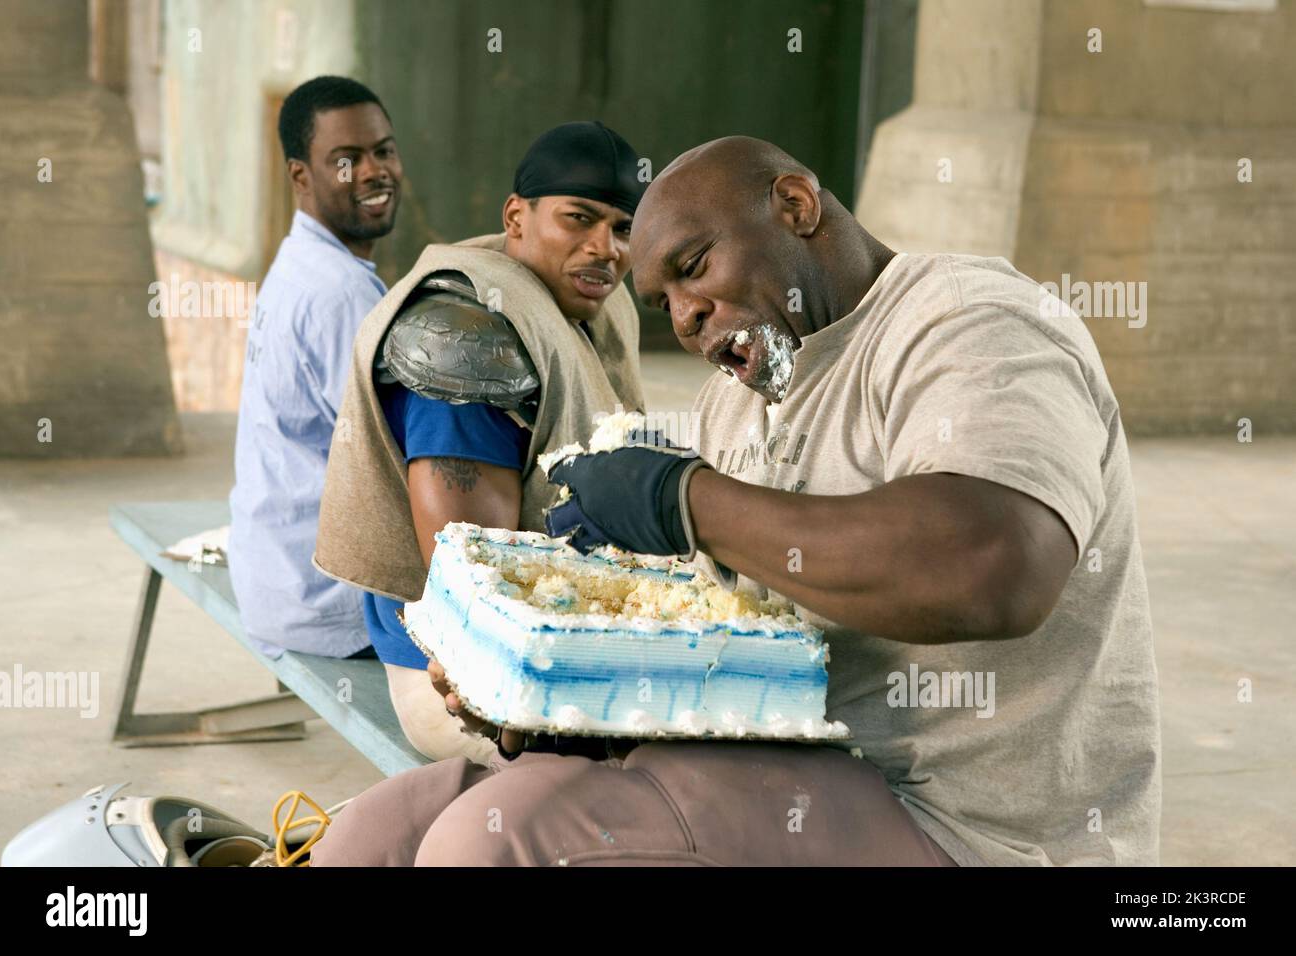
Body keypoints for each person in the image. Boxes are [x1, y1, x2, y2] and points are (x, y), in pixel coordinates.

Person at [311, 135, 1159, 868]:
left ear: (794, 204)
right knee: (377, 835)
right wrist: (539, 691)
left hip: (963, 823)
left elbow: (995, 565)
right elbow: (716, 638)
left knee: (497, 844)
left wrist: (684, 499)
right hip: (774, 761)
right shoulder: (735, 403)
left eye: (693, 268)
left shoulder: (969, 321)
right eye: (664, 303)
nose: (686, 318)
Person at [313, 122, 646, 763]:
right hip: (454, 681)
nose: (605, 248)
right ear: (515, 217)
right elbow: (472, 595)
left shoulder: (592, 305)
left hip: (561, 629)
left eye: (623, 228)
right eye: (578, 218)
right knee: (673, 769)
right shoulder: (467, 340)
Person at [228, 76, 402, 659]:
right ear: (301, 175)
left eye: (384, 150)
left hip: (273, 580)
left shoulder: (302, 262)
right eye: (347, 160)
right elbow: (399, 462)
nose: (375, 171)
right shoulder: (339, 294)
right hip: (328, 606)